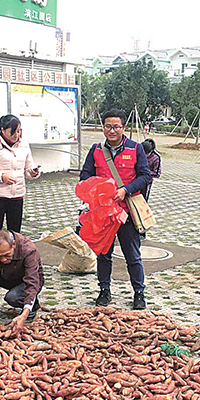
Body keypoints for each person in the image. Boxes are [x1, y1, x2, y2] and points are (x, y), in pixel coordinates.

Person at [80, 109, 151, 310]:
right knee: (104, 254)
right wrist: (99, 190)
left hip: (126, 212)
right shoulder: (96, 150)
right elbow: (85, 175)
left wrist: (125, 190)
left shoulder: (135, 148)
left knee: (132, 255)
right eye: (108, 126)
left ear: (123, 127)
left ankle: (139, 293)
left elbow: (145, 176)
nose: (112, 131)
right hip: (103, 213)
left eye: (116, 127)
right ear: (103, 127)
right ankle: (104, 290)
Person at [0, 115, 40, 238]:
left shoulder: (24, 145)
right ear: (3, 130)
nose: (17, 135)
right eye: (13, 132)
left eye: (19, 131)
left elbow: (28, 169)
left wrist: (33, 173)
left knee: (15, 234)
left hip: (17, 196)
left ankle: (14, 251)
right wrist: (1, 176)